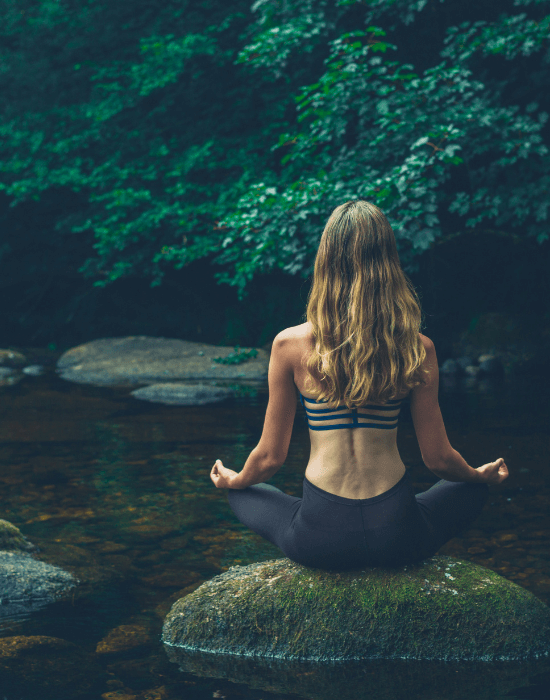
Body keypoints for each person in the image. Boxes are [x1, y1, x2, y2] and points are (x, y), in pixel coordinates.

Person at [210, 200, 509, 570]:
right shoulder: (417, 347)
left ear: (325, 261)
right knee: (471, 488)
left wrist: (234, 481)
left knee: (245, 492)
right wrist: (478, 475)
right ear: (388, 264)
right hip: (397, 535)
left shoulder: (288, 345)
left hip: (319, 538)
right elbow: (439, 460)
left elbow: (270, 459)